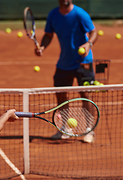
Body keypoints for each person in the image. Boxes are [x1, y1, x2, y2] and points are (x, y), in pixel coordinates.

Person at [35, 0, 98, 143]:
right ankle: (65, 128)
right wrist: (43, 47)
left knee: (85, 94)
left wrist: (88, 44)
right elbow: (48, 35)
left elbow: (94, 32)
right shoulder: (53, 15)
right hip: (64, 62)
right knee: (61, 93)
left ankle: (89, 130)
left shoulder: (80, 14)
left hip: (83, 61)